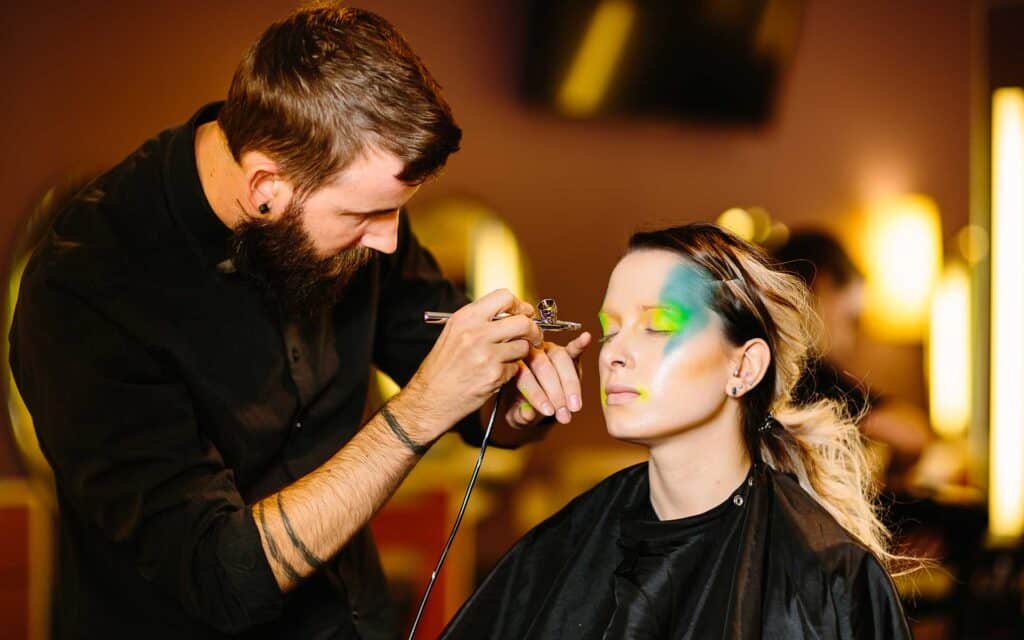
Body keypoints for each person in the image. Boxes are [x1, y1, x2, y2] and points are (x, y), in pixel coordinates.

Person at [9, 6, 590, 638]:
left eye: (395, 211)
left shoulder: (352, 208)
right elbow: (219, 578)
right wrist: (417, 415)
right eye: (364, 215)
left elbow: (442, 361)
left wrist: (510, 403)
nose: (389, 243)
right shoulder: (85, 291)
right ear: (266, 186)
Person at [441, 223, 910, 639]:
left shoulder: (827, 575)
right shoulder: (559, 550)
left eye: (658, 326)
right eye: (611, 329)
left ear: (744, 367)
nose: (613, 354)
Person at [774, 230, 933, 475]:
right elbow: (912, 435)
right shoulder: (808, 373)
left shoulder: (762, 361)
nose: (852, 335)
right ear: (823, 286)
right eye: (852, 319)